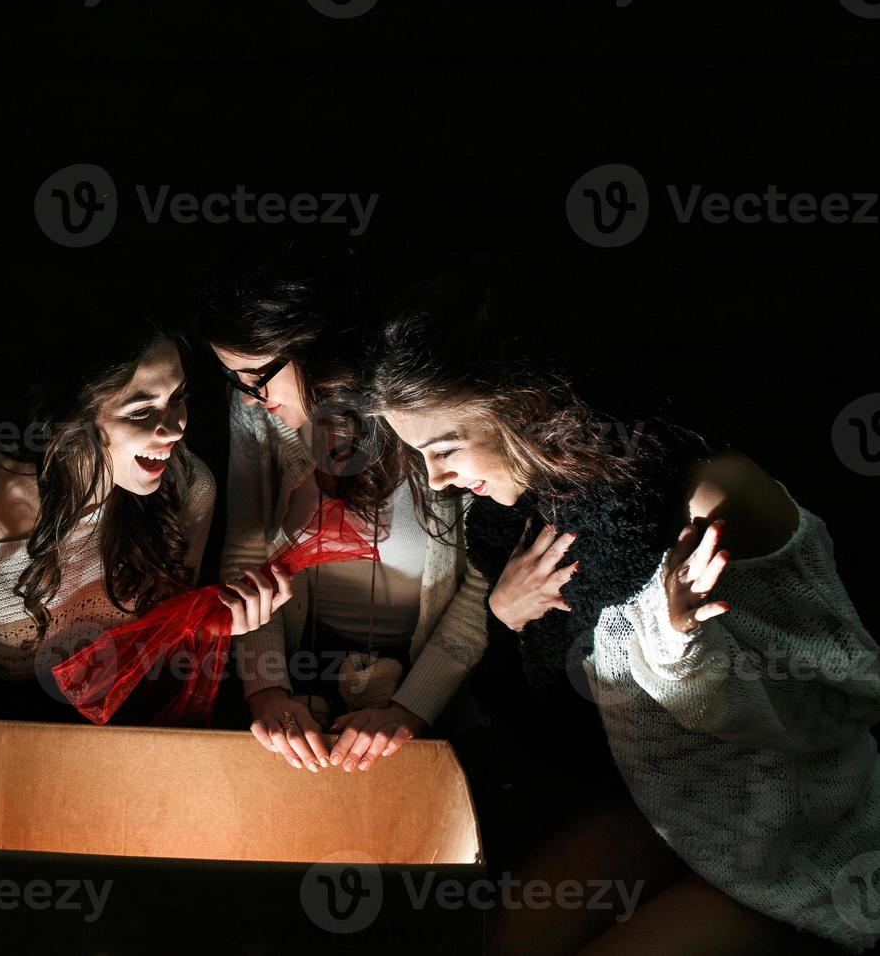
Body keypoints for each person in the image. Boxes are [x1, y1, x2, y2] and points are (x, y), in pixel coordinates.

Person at [370, 298, 878, 955]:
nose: (439, 483)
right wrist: (506, 621)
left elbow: (836, 702)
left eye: (444, 449)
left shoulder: (708, 496)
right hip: (659, 809)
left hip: (790, 829)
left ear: (524, 409)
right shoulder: (534, 514)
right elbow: (554, 725)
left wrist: (679, 645)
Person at [0, 310, 278, 723]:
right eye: (140, 411)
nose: (174, 428)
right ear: (71, 417)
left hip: (122, 707)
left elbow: (160, 626)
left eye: (177, 398)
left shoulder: (188, 488)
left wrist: (205, 625)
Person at [202, 261, 489, 774]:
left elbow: (481, 586)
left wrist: (411, 709)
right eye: (237, 379)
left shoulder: (421, 418)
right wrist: (265, 689)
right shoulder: (256, 413)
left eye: (260, 376)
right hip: (300, 683)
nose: (252, 395)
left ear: (317, 350)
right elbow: (245, 554)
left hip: (428, 691)